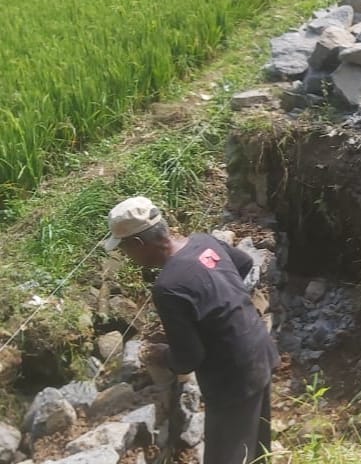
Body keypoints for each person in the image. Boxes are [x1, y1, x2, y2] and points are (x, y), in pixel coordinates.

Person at [102, 196, 279, 464]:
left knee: (226, 456)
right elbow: (243, 263)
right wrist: (223, 302)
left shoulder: (168, 287)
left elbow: (188, 358)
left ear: (138, 243)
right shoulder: (202, 242)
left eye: (125, 249)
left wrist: (162, 354)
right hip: (259, 348)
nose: (127, 257)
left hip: (233, 377)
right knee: (257, 448)